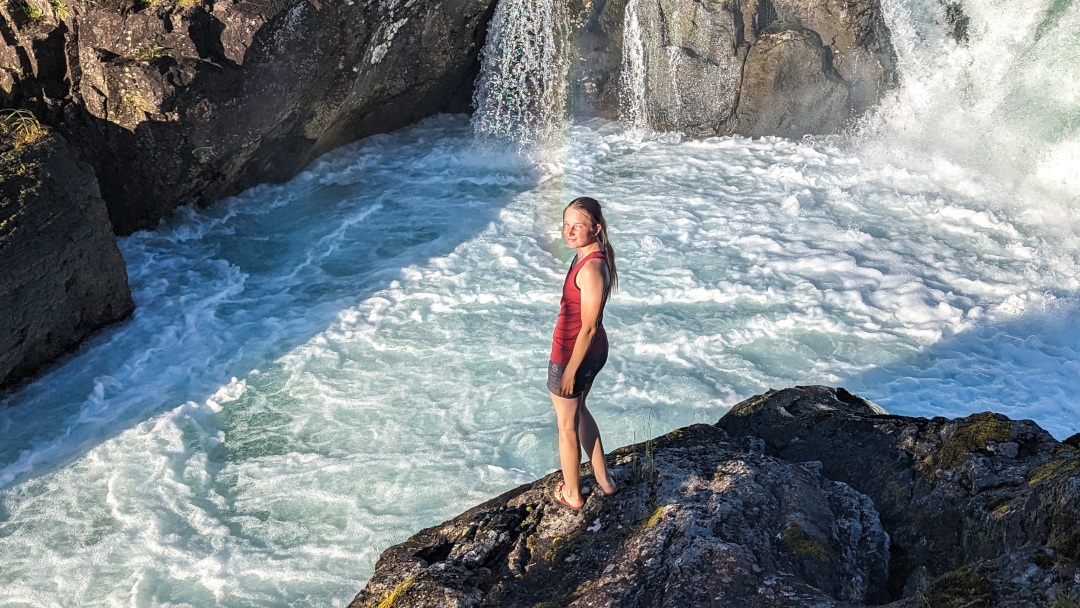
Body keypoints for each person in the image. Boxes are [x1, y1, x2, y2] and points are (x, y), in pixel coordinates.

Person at [548, 196, 619, 510]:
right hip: (591, 351)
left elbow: (587, 328)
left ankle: (573, 494)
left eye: (578, 225)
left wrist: (570, 371)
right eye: (566, 224)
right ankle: (604, 480)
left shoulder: (590, 269)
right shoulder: (588, 256)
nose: (570, 231)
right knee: (579, 412)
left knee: (566, 427)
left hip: (574, 354)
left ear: (597, 228)